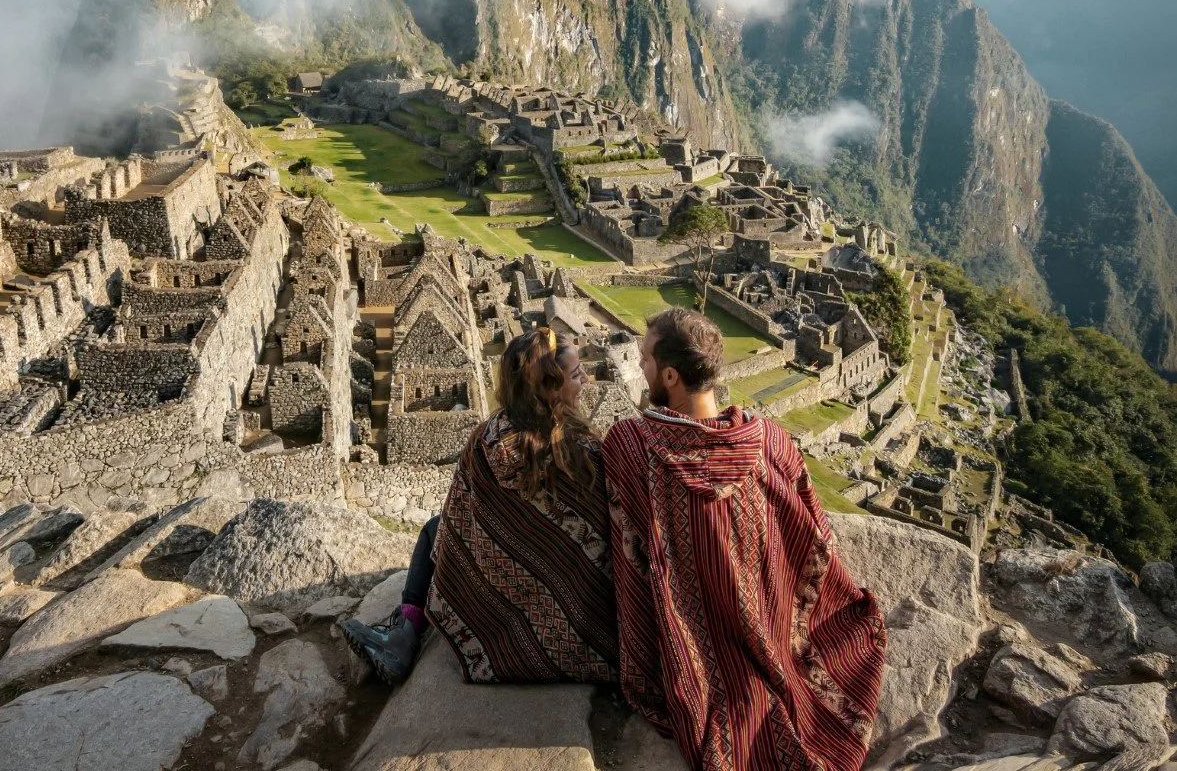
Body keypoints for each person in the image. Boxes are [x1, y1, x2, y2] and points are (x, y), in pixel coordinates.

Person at [603, 307, 886, 771]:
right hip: (778, 625)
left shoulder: (632, 447)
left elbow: (630, 552)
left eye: (646, 361)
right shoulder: (770, 441)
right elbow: (814, 533)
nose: (640, 368)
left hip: (701, 660)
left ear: (670, 376)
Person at [342, 326, 618, 685]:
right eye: (577, 374)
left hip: (497, 608)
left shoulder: (487, 440)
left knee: (436, 528)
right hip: (583, 623)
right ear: (550, 387)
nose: (585, 380)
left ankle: (406, 631)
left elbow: (460, 516)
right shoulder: (584, 452)